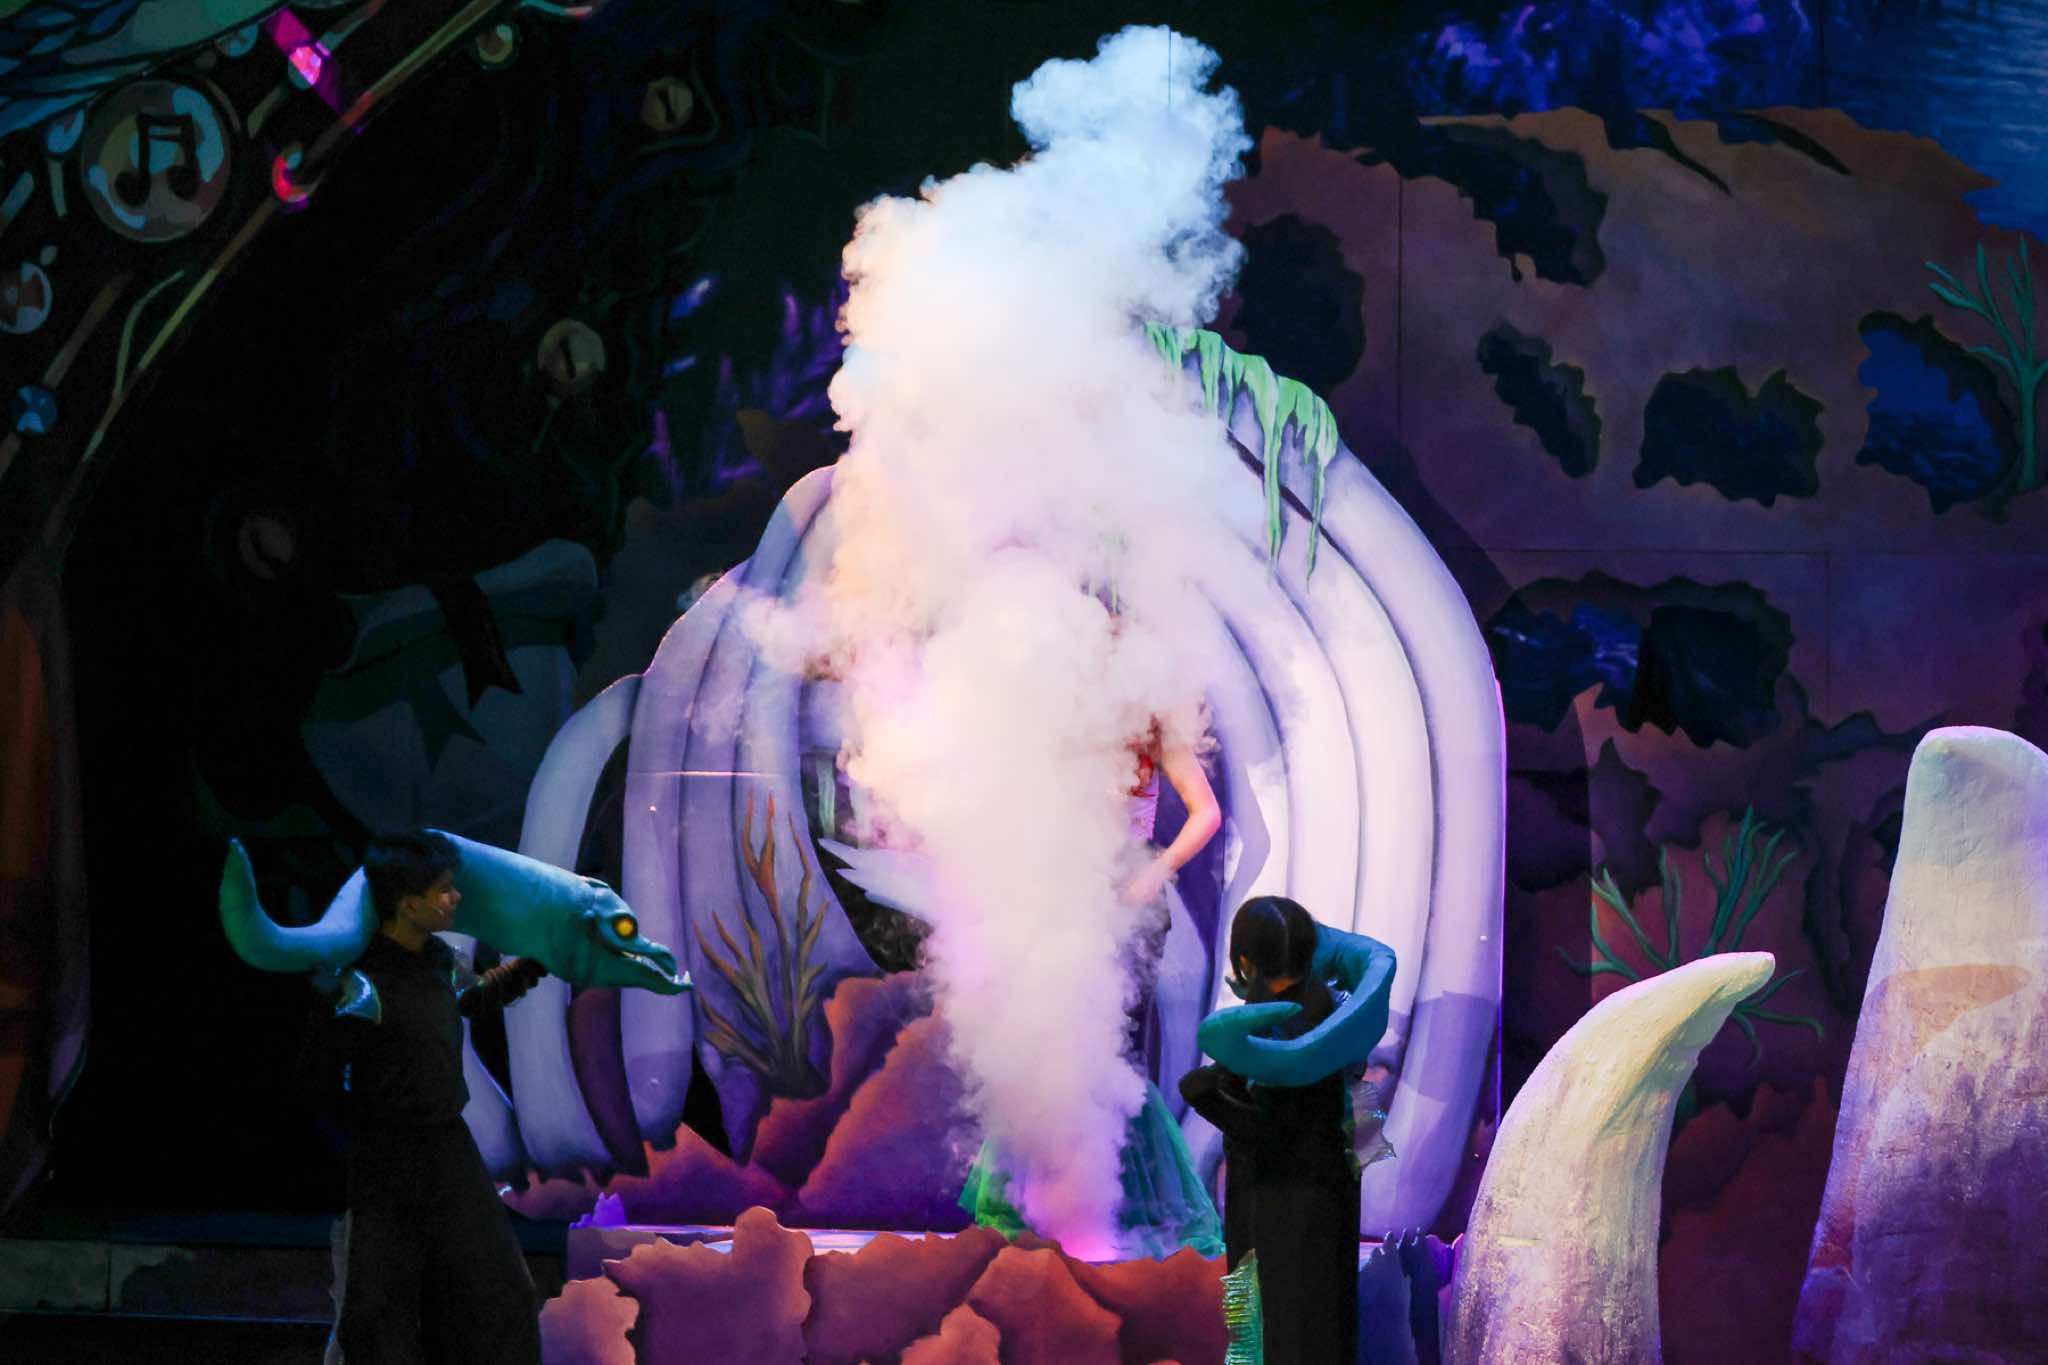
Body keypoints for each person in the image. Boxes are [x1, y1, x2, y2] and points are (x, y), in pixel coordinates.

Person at [960, 715, 1226, 1259]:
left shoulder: (1156, 728)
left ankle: (1128, 1209)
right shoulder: (1062, 713)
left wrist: (1158, 868)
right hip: (1065, 895)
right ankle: (1044, 1202)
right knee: (1054, 1052)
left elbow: (1207, 813)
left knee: (1116, 1059)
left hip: (1128, 902)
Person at [296, 830, 550, 1365]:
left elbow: (473, 996)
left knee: (501, 1289)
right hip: (385, 1157)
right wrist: (357, 1146)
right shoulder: (359, 983)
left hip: (448, 1148)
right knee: (381, 1313)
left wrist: (532, 964)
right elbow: (316, 1079)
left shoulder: (437, 960)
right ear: (408, 904)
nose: (455, 898)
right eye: (443, 889)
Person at [1180, 896, 1362, 1365]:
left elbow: (1273, 1131)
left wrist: (1206, 1096)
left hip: (1285, 1200)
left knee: (1278, 1329)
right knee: (1312, 1324)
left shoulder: (1289, 1022)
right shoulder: (1319, 1004)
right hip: (1314, 1193)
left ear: (1244, 959)